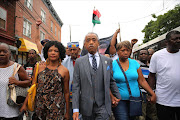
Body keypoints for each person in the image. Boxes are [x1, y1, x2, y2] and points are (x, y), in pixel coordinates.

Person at [72, 32, 121, 120]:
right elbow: (76, 87)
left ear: (98, 43)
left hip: (103, 105)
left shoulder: (107, 61)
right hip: (86, 107)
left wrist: (117, 96)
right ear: (85, 44)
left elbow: (111, 80)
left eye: (94, 40)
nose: (91, 42)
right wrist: (75, 109)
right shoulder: (79, 62)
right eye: (88, 40)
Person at [20, 41, 70, 120]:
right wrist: (25, 104)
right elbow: (33, 87)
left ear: (60, 53)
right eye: (50, 51)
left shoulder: (64, 71)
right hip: (40, 107)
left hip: (56, 108)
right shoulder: (39, 67)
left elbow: (66, 92)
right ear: (46, 52)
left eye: (56, 51)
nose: (52, 53)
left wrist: (67, 112)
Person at [111, 41, 156, 120]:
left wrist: (152, 93)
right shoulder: (112, 65)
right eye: (123, 50)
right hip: (119, 100)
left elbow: (142, 81)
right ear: (117, 52)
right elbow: (108, 83)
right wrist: (112, 97)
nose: (126, 52)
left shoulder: (135, 63)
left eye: (128, 50)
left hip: (135, 99)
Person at [148, 30, 180, 120]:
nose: (178, 40)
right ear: (167, 42)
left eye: (179, 38)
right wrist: (151, 93)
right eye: (175, 39)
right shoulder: (157, 56)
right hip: (163, 100)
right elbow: (151, 75)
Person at [0, 43, 31, 119]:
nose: (1, 54)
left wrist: (17, 82)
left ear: (9, 53)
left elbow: (28, 82)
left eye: (4, 51)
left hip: (12, 112)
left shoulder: (16, 67)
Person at [136, 49, 158, 120]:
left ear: (149, 56)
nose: (143, 55)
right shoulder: (136, 66)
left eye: (145, 54)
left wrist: (151, 93)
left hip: (152, 94)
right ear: (138, 56)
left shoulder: (152, 66)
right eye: (141, 54)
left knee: (153, 115)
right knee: (141, 117)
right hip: (141, 94)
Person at [62, 42, 81, 120]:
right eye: (71, 50)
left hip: (81, 94)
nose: (72, 52)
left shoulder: (84, 60)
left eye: (74, 49)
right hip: (68, 93)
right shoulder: (64, 61)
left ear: (78, 50)